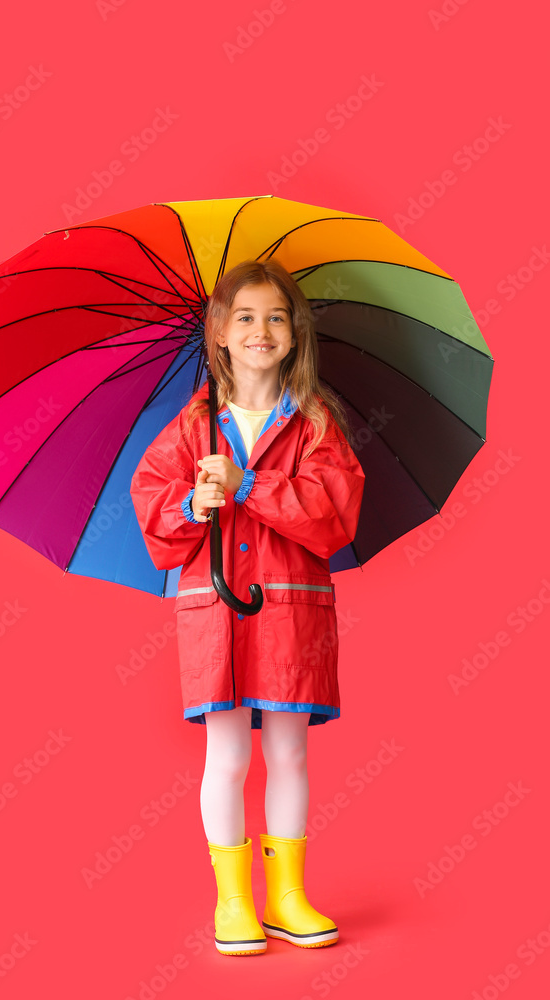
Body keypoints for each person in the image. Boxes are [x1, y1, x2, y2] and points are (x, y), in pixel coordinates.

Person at [130, 259, 365, 956]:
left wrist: (246, 484)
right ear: (218, 335)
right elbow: (155, 521)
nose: (260, 330)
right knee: (226, 754)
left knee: (289, 752)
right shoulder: (189, 429)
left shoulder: (316, 424)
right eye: (244, 317)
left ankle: (287, 895)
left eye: (274, 317)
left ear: (293, 334)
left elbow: (332, 517)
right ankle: (233, 901)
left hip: (293, 613)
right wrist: (189, 502)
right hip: (212, 610)